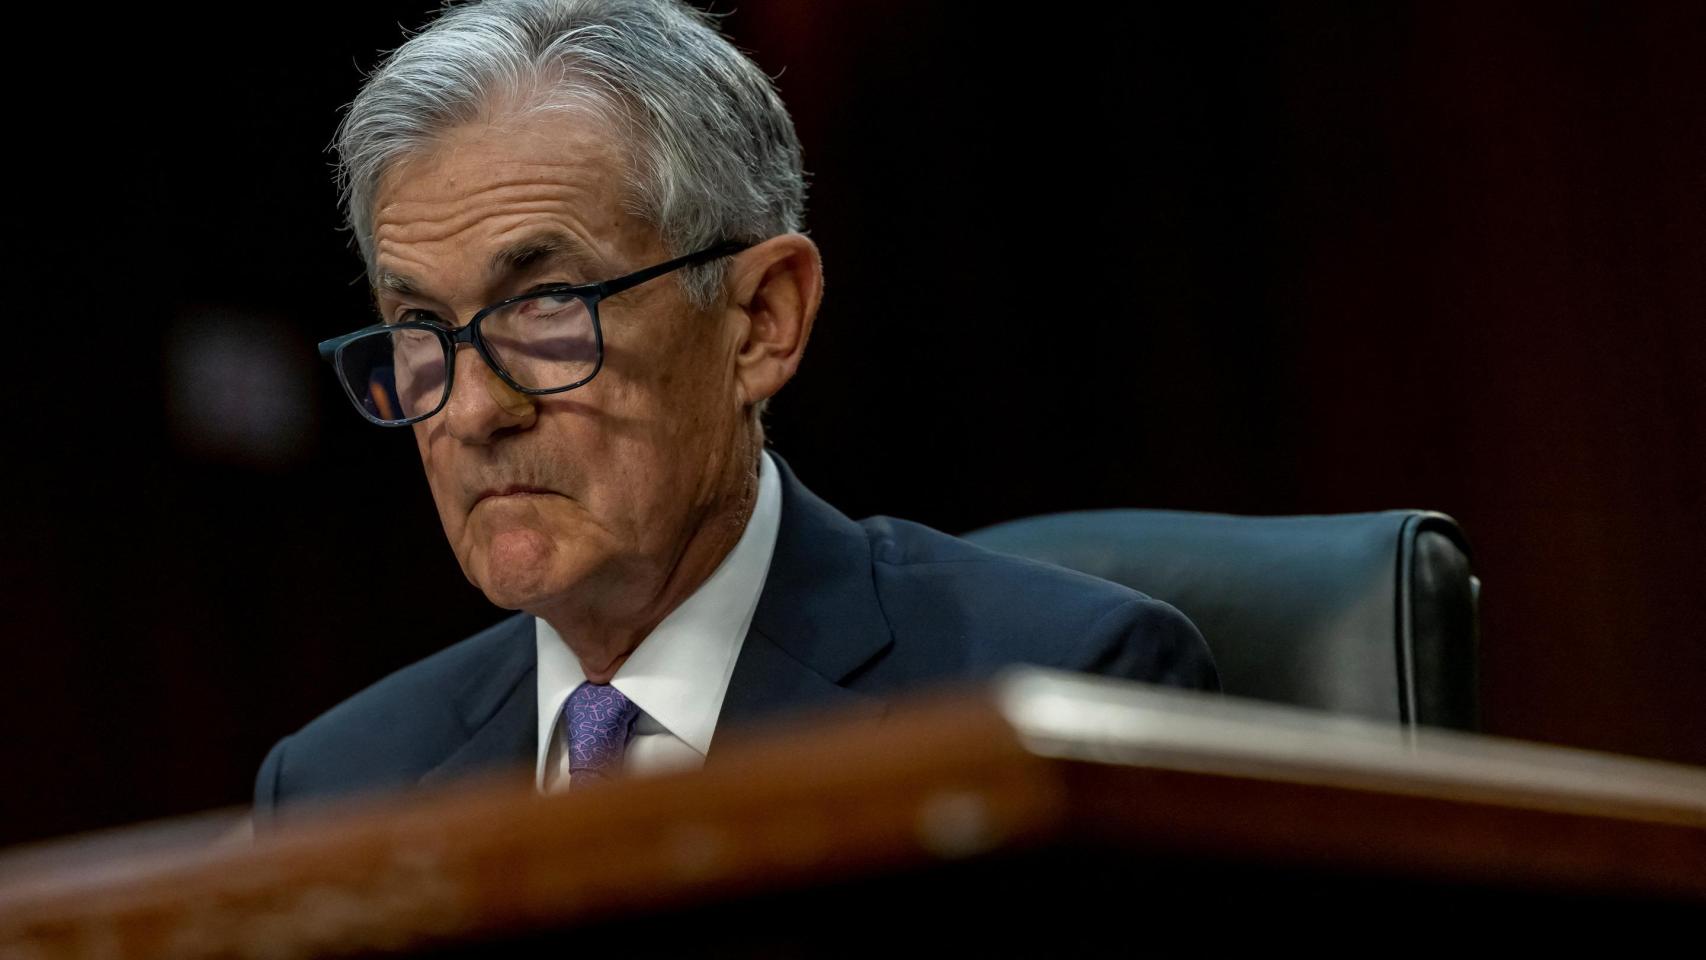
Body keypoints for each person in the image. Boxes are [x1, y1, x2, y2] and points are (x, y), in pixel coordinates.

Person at [255, 0, 1218, 816]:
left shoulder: (1058, 688)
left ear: (761, 319)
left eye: (545, 307)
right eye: (420, 325)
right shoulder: (338, 785)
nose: (470, 410)